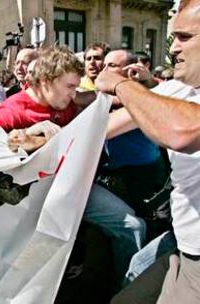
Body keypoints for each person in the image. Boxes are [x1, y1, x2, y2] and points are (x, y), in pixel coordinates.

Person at [0, 46, 146, 289]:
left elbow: (97, 99)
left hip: (75, 189)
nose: (74, 94)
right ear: (45, 81)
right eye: (70, 87)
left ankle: (128, 291)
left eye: (76, 87)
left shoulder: (67, 101)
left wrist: (144, 89)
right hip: (32, 204)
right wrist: (21, 143)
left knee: (133, 226)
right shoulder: (11, 113)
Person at [94, 0, 200, 302]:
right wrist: (45, 140)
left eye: (184, 37)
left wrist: (121, 86)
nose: (173, 48)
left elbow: (180, 131)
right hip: (182, 242)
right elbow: (103, 127)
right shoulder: (179, 89)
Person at [99, 49, 168, 234]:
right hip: (117, 172)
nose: (104, 69)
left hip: (145, 174)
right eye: (103, 64)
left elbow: (103, 131)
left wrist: (149, 81)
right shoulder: (103, 95)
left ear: (130, 69)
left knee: (151, 225)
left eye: (111, 65)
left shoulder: (143, 97)